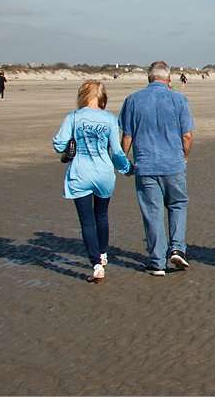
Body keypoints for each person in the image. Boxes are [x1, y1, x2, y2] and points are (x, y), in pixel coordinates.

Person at [120, 61, 195, 276]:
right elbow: (187, 135)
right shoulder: (179, 99)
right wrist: (185, 157)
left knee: (152, 212)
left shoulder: (133, 100)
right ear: (169, 78)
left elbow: (127, 136)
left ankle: (157, 262)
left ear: (148, 77)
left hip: (146, 166)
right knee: (177, 205)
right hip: (172, 164)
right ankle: (177, 248)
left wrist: (124, 163)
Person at [53, 80, 133, 283]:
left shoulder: (73, 117)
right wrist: (127, 168)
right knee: (101, 215)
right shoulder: (108, 119)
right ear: (102, 98)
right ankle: (103, 253)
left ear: (82, 96)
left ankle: (96, 264)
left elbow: (59, 144)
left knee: (86, 221)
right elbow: (116, 151)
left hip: (80, 173)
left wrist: (72, 140)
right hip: (103, 173)